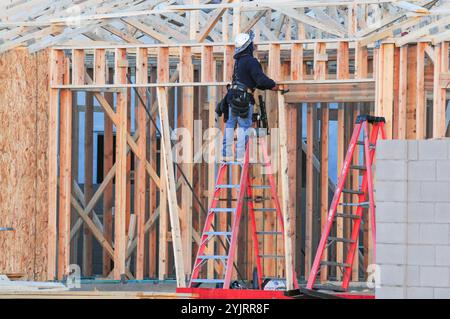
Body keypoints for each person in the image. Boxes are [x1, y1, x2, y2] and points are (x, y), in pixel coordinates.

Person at [222, 31, 279, 162]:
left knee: (231, 124)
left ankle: (226, 153)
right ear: (248, 46)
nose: (253, 45)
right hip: (243, 99)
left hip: (233, 96)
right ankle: (241, 156)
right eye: (251, 44)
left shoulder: (239, 62)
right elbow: (260, 79)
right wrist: (272, 85)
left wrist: (266, 85)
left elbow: (252, 81)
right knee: (243, 126)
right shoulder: (251, 61)